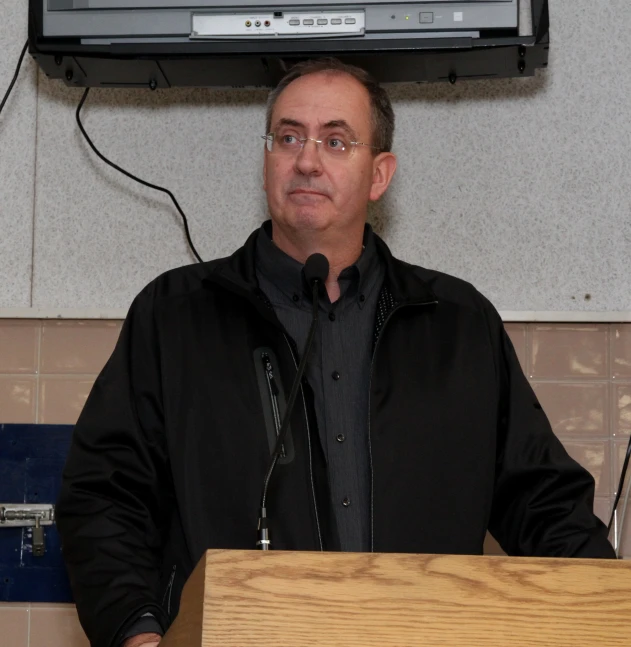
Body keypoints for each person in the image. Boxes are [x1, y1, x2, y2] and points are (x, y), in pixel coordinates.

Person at [56, 58, 615, 647]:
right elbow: (103, 497)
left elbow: (545, 504)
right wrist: (136, 631)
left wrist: (607, 611)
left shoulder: (457, 324)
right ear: (267, 159)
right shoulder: (174, 316)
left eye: (336, 141)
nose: (306, 159)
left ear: (379, 175)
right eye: (288, 136)